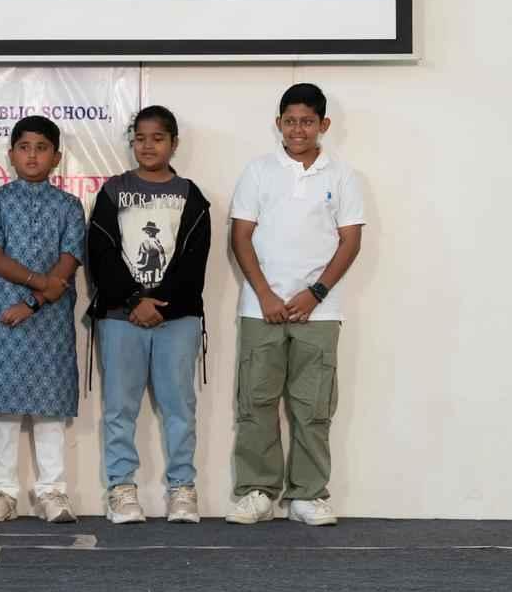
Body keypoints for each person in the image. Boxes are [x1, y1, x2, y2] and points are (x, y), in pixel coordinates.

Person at [226, 83, 364, 527]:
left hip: (320, 311)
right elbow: (241, 237)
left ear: (324, 124)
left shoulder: (342, 176)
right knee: (256, 403)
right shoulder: (258, 171)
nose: (298, 129)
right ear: (278, 123)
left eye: (307, 121)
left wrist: (315, 293)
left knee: (313, 408)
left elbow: (350, 241)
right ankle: (257, 492)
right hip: (261, 309)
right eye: (290, 121)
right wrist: (265, 294)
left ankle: (308, 495)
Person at [87, 105, 211, 524]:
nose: (148, 146)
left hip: (177, 319)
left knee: (179, 407)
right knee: (120, 408)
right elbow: (101, 253)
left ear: (174, 143)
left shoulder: (191, 195)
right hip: (121, 317)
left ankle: (182, 488)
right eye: (140, 138)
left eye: (158, 138)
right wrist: (133, 299)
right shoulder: (113, 191)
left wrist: (162, 303)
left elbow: (194, 259)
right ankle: (121, 488)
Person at [0, 115, 85, 523]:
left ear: (57, 157)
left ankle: (52, 492)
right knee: (5, 408)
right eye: (24, 147)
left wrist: (36, 300)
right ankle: (1, 492)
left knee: (50, 407)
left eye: (41, 148)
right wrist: (40, 283)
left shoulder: (69, 206)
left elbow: (70, 258)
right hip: (5, 316)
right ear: (11, 154)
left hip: (50, 320)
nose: (32, 155)